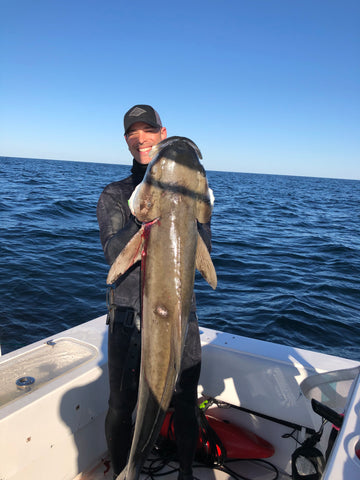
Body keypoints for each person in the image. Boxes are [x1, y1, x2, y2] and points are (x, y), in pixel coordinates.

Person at [96, 105, 212, 480]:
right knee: (121, 404)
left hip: (182, 314)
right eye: (133, 133)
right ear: (127, 141)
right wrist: (147, 213)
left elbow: (202, 251)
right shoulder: (115, 195)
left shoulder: (195, 194)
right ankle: (124, 471)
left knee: (185, 402)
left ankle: (186, 476)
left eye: (148, 131)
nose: (141, 138)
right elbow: (115, 256)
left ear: (163, 133)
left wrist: (195, 205)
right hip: (129, 314)